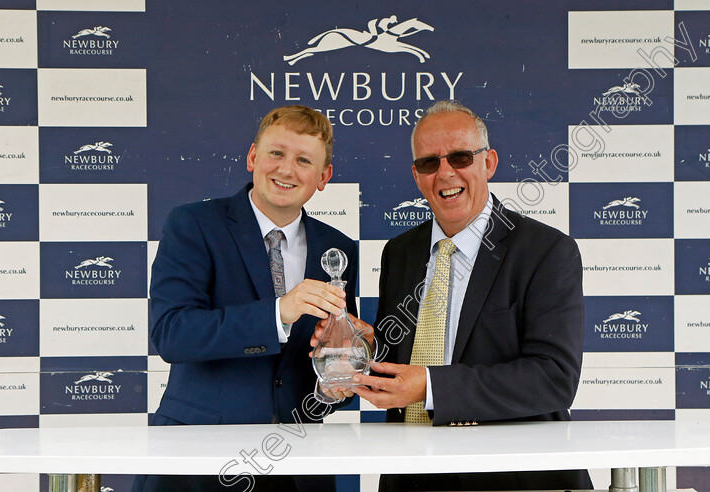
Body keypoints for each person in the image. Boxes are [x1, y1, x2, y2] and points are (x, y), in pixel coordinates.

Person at [348, 100, 592, 491]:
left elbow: (554, 378)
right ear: (416, 175)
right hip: (411, 476)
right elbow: (409, 361)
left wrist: (431, 387)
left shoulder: (546, 250)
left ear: (489, 163)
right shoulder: (399, 252)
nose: (445, 172)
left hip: (515, 480)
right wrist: (366, 350)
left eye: (460, 157)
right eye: (429, 162)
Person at [133, 105, 358, 492]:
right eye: (277, 153)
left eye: (304, 160)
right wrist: (278, 313)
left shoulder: (338, 249)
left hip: (298, 465)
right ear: (253, 156)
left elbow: (327, 365)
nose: (287, 170)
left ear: (323, 177)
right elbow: (172, 334)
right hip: (197, 463)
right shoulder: (193, 224)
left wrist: (335, 383)